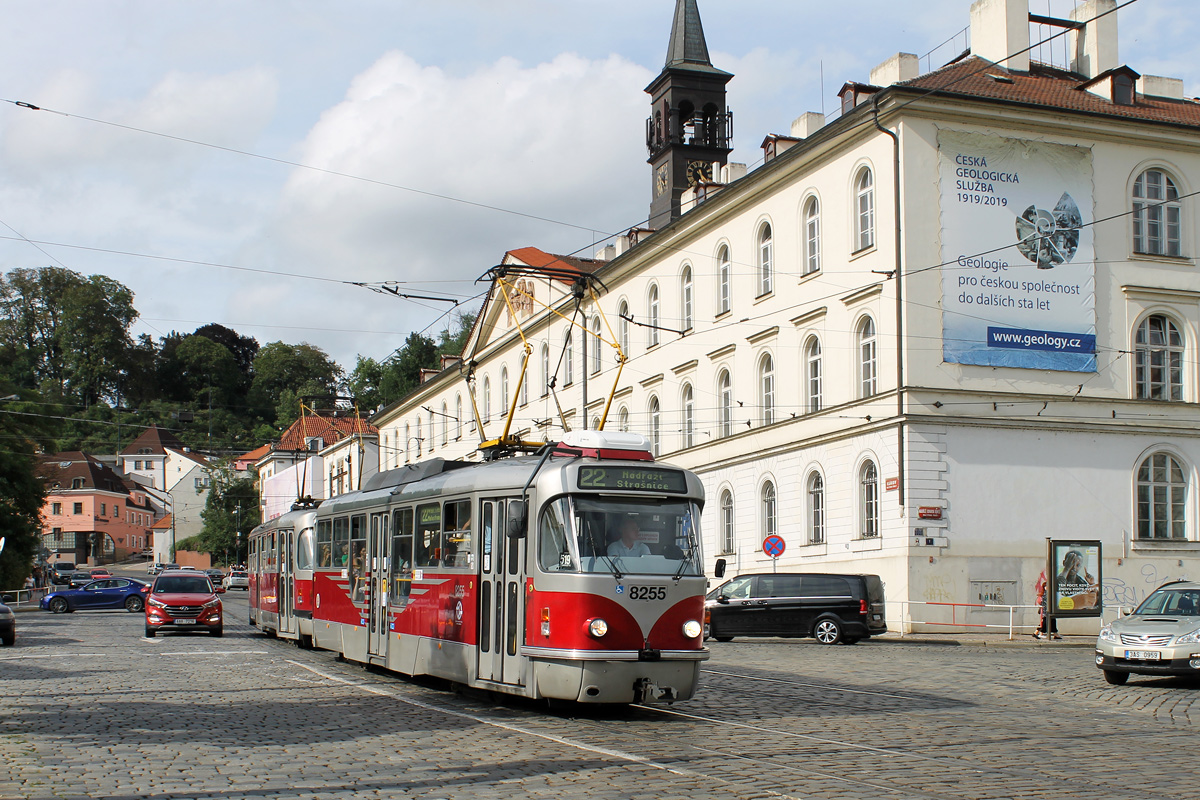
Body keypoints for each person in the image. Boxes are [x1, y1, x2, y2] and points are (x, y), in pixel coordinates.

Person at [1034, 569, 1060, 640]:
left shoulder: (1046, 593)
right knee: (1046, 622)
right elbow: (1046, 602)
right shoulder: (1046, 593)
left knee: (1050, 621)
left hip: (1047, 610)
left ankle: (1055, 633)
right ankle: (1039, 633)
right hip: (1047, 611)